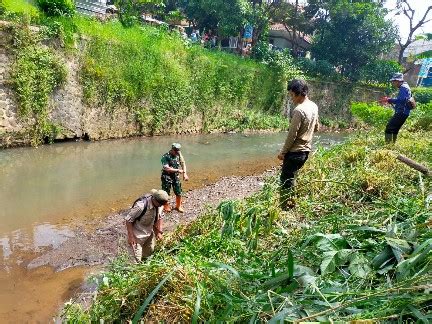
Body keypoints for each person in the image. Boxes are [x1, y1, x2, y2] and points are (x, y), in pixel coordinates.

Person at [277, 79, 319, 209]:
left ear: (299, 93)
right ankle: (293, 205)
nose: (291, 98)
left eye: (292, 95)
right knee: (293, 177)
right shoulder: (314, 106)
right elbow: (317, 127)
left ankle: (285, 209)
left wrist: (283, 152)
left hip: (295, 152)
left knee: (286, 182)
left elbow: (292, 135)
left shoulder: (299, 110)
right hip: (306, 152)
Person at [124, 189, 168, 262]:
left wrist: (159, 232)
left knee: (149, 254)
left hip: (149, 233)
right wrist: (131, 237)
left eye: (162, 204)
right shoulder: (141, 206)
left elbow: (160, 217)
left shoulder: (159, 204)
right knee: (135, 260)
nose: (161, 206)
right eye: (159, 204)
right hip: (137, 236)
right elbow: (128, 220)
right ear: (154, 199)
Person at [379, 73, 412, 144]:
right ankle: (391, 145)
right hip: (404, 112)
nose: (393, 83)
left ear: (398, 80)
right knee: (394, 129)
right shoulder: (405, 86)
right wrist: (389, 100)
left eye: (394, 81)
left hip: (401, 112)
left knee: (389, 128)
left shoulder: (403, 87)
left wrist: (389, 100)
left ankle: (387, 145)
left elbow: (401, 100)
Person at [161, 143, 189, 213]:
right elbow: (166, 168)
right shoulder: (165, 156)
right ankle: (166, 206)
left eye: (178, 151)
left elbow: (183, 163)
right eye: (176, 151)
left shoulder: (178, 154)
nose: (177, 152)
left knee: (178, 191)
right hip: (166, 176)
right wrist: (178, 170)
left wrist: (185, 174)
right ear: (172, 150)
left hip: (175, 176)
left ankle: (178, 206)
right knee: (166, 193)